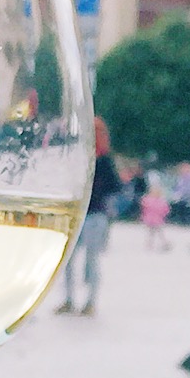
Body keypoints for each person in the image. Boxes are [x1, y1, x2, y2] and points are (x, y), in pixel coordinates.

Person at [57, 117, 121, 315]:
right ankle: (71, 299)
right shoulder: (79, 156)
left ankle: (89, 301)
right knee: (69, 260)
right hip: (85, 214)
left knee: (89, 260)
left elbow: (114, 187)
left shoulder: (103, 160)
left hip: (94, 214)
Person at [139, 172, 171, 249]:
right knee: (153, 232)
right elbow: (144, 208)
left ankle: (161, 243)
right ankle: (152, 244)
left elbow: (165, 209)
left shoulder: (159, 201)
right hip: (152, 219)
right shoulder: (149, 200)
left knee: (157, 231)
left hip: (156, 219)